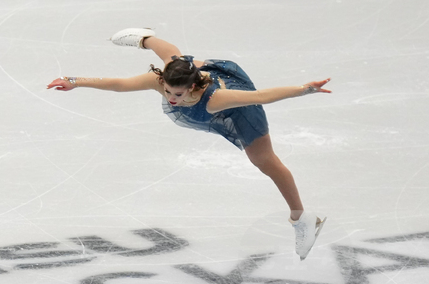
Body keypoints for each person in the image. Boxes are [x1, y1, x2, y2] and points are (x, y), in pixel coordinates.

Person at [47, 28, 331, 260]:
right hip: (186, 72)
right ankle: (143, 37)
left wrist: (305, 89)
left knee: (264, 162)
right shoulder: (164, 79)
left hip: (239, 108)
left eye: (177, 93)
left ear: (193, 88)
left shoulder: (220, 97)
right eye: (168, 91)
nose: (171, 98)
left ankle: (302, 218)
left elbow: (264, 96)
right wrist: (75, 81)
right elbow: (119, 84)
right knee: (173, 55)